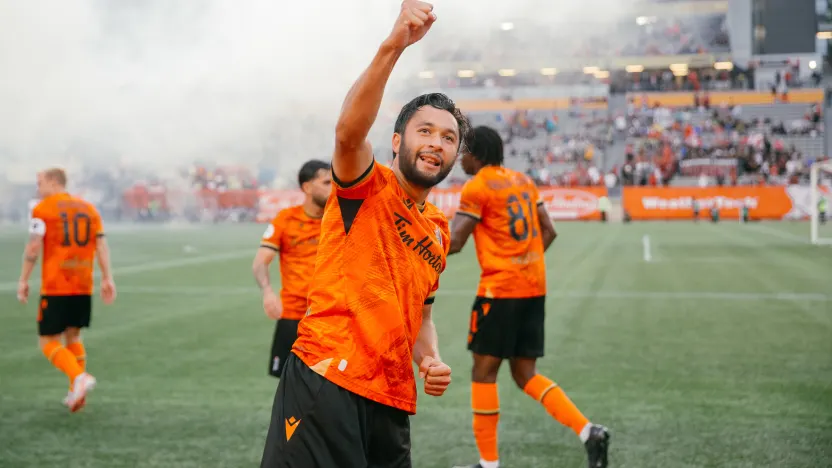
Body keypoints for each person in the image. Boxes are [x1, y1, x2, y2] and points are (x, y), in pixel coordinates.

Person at [259, 2, 467, 466]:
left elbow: (422, 317)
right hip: (329, 379)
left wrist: (428, 358)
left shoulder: (437, 230)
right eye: (426, 131)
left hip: (392, 399)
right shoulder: (368, 188)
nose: (437, 142)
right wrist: (394, 46)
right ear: (398, 142)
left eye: (449, 138)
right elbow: (348, 134)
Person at [448, 126, 610, 468]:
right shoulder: (523, 181)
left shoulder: (476, 186)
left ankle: (488, 464)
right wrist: (524, 262)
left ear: (476, 154)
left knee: (483, 371)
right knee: (525, 374)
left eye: (463, 151)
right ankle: (588, 431)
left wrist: (411, 245)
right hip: (533, 288)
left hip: (500, 291)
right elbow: (548, 230)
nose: (460, 157)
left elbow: (457, 240)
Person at [17, 168, 116, 413]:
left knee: (47, 341)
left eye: (39, 182)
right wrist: (107, 277)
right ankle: (77, 392)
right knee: (73, 336)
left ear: (53, 181)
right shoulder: (89, 209)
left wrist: (23, 280)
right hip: (82, 283)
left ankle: (78, 377)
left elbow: (33, 248)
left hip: (57, 284)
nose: (37, 187)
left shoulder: (42, 210)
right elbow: (101, 245)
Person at [252, 159, 331, 378]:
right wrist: (267, 292)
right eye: (326, 182)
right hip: (292, 316)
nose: (332, 188)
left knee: (327, 386)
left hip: (328, 318)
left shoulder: (338, 220)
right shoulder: (286, 219)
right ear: (307, 187)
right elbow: (261, 262)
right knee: (288, 384)